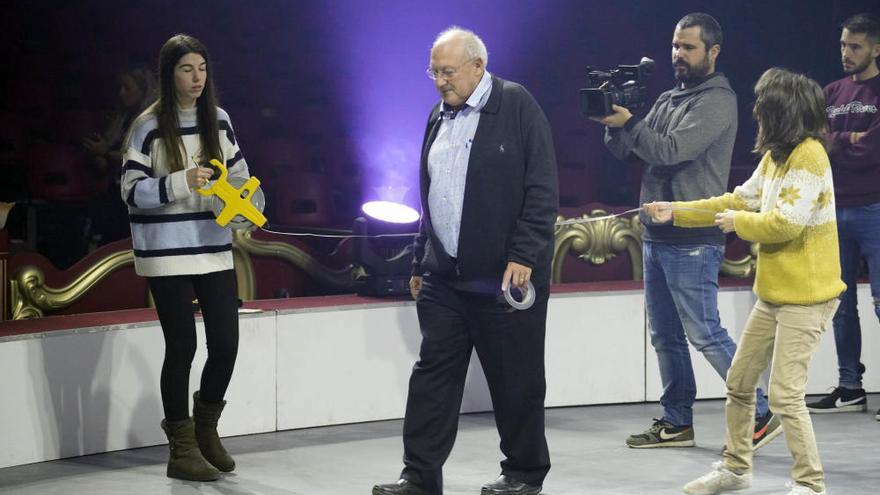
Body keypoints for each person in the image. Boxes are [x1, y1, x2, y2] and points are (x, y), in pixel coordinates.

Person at [372, 26, 558, 495]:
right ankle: (418, 476)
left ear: (478, 67)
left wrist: (524, 255)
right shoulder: (438, 116)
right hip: (444, 279)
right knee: (432, 379)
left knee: (516, 382)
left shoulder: (516, 106)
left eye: (448, 71)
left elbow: (542, 189)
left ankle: (523, 473)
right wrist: (419, 261)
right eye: (434, 72)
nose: (439, 81)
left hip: (504, 279)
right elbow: (433, 195)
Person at [647, 67, 846, 495]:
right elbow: (737, 198)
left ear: (783, 111)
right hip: (773, 294)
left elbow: (784, 224)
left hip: (808, 298)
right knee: (739, 382)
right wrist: (676, 210)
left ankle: (810, 485)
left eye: (763, 105)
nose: (756, 111)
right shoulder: (775, 156)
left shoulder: (809, 155)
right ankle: (736, 470)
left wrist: (737, 223)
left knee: (785, 395)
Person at [592, 12, 778, 449]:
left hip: (694, 236)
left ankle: (762, 411)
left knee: (705, 332)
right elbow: (632, 151)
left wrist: (630, 125)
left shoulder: (717, 100)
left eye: (688, 47)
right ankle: (677, 421)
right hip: (658, 234)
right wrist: (612, 125)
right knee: (666, 337)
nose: (678, 54)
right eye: (676, 45)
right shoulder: (670, 97)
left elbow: (671, 151)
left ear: (713, 51)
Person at [121, 34, 250, 482]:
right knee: (183, 347)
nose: (197, 78)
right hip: (166, 254)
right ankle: (181, 449)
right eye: (186, 69)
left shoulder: (220, 120)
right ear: (168, 74)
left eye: (202, 68)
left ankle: (205, 428)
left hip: (213, 249)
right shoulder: (148, 125)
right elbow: (130, 191)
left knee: (227, 343)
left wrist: (244, 208)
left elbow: (239, 176)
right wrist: (181, 182)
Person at [807, 12, 880, 419]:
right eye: (842, 45)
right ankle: (850, 386)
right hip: (835, 209)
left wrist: (839, 144)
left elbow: (873, 151)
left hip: (875, 207)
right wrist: (846, 138)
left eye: (855, 46)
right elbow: (813, 143)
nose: (846, 53)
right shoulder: (830, 91)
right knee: (841, 302)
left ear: (876, 49)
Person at [84, 65, 156, 245]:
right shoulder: (121, 119)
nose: (121, 93)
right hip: (118, 191)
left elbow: (142, 161)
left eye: (127, 88)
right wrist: (98, 157)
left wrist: (105, 153)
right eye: (119, 88)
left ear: (143, 89)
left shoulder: (154, 121)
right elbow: (107, 165)